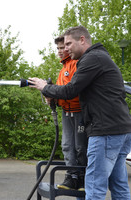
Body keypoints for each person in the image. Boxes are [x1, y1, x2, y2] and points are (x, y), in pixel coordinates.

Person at [29, 26, 131, 200]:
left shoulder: (91, 59)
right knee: (118, 184)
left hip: (105, 131)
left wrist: (45, 87)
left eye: (69, 43)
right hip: (121, 130)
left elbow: (71, 90)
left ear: (82, 40)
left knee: (94, 185)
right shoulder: (100, 57)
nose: (66, 48)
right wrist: (53, 95)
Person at [53, 35, 87, 192]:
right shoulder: (62, 69)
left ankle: (82, 177)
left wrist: (53, 92)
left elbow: (72, 90)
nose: (60, 51)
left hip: (79, 112)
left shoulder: (76, 64)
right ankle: (71, 176)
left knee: (80, 146)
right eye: (58, 48)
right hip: (66, 112)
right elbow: (60, 91)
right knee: (67, 146)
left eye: (63, 47)